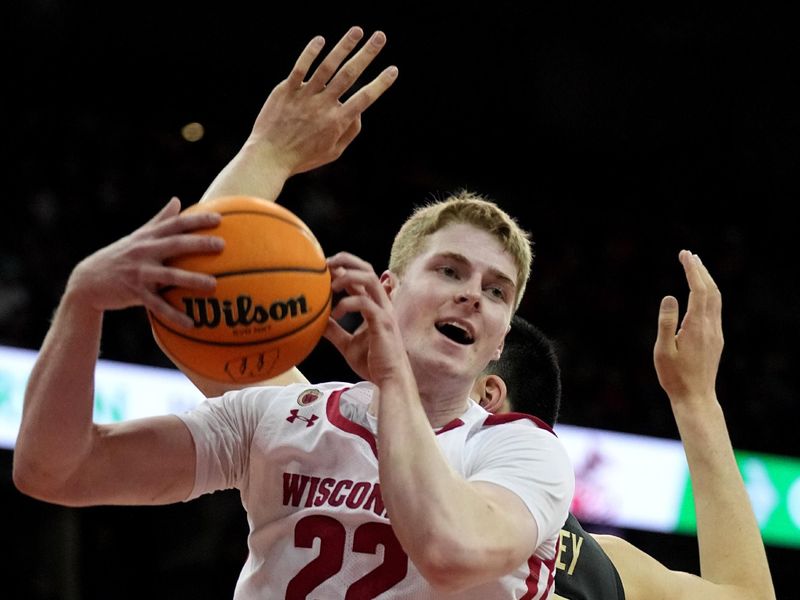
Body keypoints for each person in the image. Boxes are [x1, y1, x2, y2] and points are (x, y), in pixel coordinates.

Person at [13, 26, 575, 599]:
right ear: (385, 289)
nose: (473, 295)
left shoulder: (520, 451)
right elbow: (54, 470)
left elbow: (450, 551)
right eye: (449, 270)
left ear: (501, 340)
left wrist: (391, 378)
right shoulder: (280, 419)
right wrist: (83, 302)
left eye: (497, 291)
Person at [474, 252, 776, 600]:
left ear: (488, 396)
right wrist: (696, 401)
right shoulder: (605, 567)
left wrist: (696, 399)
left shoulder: (598, 567)